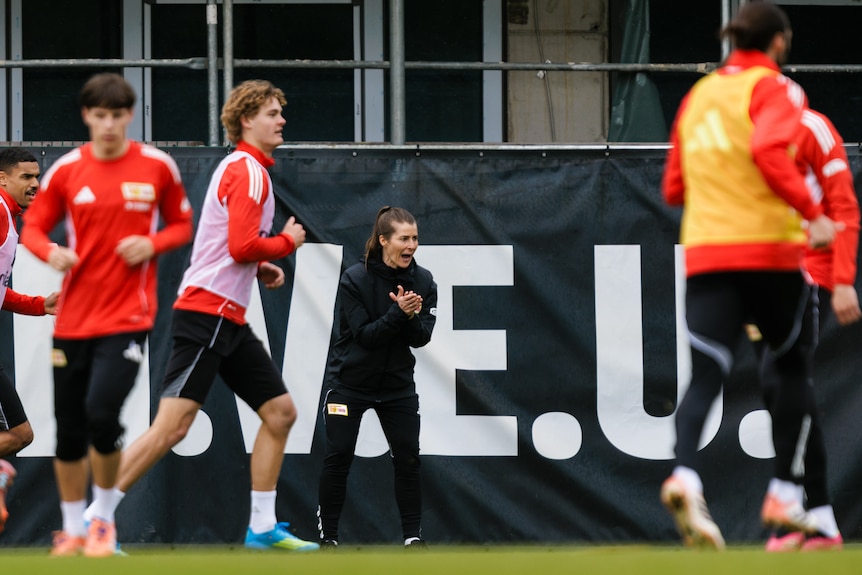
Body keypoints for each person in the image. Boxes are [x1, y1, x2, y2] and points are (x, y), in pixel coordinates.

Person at [83, 79, 318, 552]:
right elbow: (241, 245)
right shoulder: (249, 171)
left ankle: (261, 527)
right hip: (207, 313)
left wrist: (262, 265)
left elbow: (229, 246)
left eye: (280, 111)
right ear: (247, 120)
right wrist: (285, 244)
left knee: (280, 413)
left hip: (225, 316)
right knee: (171, 427)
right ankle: (95, 519)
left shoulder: (246, 169)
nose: (282, 120)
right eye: (272, 113)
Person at [658, 2, 843, 550]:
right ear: (779, 42)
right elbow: (767, 149)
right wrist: (813, 215)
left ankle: (685, 474)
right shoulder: (777, 88)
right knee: (790, 368)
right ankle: (784, 490)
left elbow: (673, 187)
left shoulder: (699, 95)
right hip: (769, 253)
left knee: (705, 376)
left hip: (707, 252)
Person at [20, 73, 194, 556]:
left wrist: (152, 243)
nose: (109, 125)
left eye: (117, 115)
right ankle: (72, 529)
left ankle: (102, 523)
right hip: (73, 320)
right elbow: (33, 228)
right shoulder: (68, 170)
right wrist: (50, 251)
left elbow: (182, 224)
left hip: (127, 318)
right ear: (87, 116)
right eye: (100, 116)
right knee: (69, 426)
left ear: (129, 116)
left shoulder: (157, 166)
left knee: (102, 416)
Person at [756, 108, 860, 552]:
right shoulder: (741, 127)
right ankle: (819, 518)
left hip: (808, 278)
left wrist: (842, 280)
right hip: (764, 277)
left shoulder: (812, 126)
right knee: (784, 392)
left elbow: (844, 207)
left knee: (783, 381)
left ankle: (796, 508)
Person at [317, 206, 437, 549]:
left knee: (408, 459)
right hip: (349, 385)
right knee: (339, 456)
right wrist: (398, 313)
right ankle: (329, 539)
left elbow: (421, 338)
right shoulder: (355, 279)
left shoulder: (424, 281)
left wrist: (409, 317)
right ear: (384, 240)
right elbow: (366, 337)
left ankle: (413, 538)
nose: (411, 245)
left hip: (397, 388)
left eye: (415, 238)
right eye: (404, 238)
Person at [0, 148, 60, 534]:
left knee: (20, 435)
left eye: (37, 176)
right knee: (21, 434)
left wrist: (40, 305)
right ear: (2, 179)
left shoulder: (8, 218)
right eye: (26, 177)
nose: (35, 184)